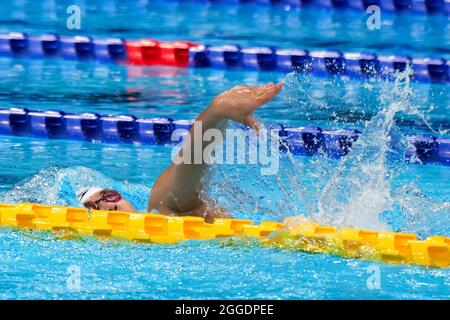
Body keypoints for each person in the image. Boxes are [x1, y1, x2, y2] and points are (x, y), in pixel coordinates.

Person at [78, 82, 283, 222]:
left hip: (168, 212)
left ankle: (217, 112)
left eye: (109, 195)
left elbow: (186, 166)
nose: (106, 205)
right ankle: (217, 115)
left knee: (162, 203)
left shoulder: (157, 209)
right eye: (94, 207)